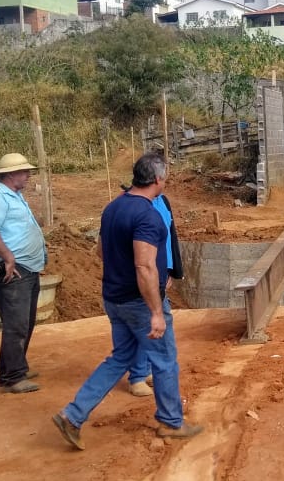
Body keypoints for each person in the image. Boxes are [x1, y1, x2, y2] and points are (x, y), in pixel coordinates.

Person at [52, 153, 202, 450]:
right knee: (164, 360)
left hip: (114, 298)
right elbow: (144, 266)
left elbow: (100, 252)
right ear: (158, 179)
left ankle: (73, 415)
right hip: (139, 303)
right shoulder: (148, 216)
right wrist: (155, 311)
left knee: (120, 357)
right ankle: (171, 422)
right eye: (166, 177)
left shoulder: (113, 208)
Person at [0, 153, 47, 394]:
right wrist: (8, 256)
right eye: (24, 171)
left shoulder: (12, 195)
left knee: (24, 322)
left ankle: (12, 369)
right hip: (10, 270)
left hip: (24, 268)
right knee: (16, 324)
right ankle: (13, 376)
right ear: (11, 174)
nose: (28, 175)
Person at [126, 191, 184, 396]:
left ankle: (147, 369)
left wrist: (171, 270)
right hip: (145, 275)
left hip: (159, 273)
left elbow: (169, 238)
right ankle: (137, 377)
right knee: (146, 323)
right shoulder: (135, 205)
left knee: (156, 324)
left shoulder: (163, 201)